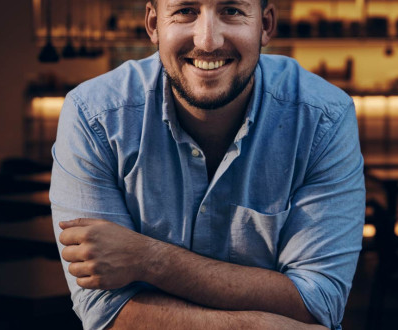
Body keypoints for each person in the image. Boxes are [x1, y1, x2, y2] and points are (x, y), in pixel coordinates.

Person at [50, 0, 365, 329]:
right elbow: (105, 310)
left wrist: (148, 259)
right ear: (154, 24)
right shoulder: (94, 115)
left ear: (266, 25)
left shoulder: (323, 118)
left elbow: (319, 302)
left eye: (232, 11)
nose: (208, 41)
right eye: (185, 10)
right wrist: (261, 326)